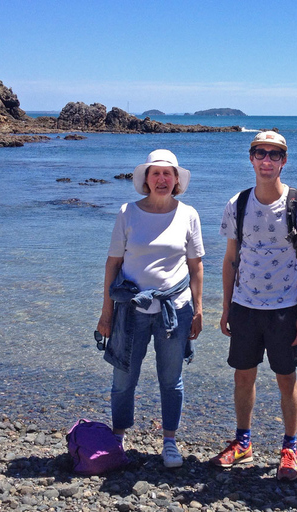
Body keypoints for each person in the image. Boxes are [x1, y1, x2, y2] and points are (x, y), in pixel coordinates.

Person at [210, 131, 297, 481]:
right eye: (261, 153)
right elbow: (231, 259)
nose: (267, 160)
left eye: (275, 155)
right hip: (244, 305)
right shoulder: (238, 204)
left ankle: (290, 448)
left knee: (286, 379)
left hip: (285, 308)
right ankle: (243, 442)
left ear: (284, 161)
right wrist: (226, 307)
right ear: (251, 158)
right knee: (243, 376)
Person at [96, 149, 204, 469]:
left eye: (167, 174)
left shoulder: (188, 214)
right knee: (123, 378)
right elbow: (113, 264)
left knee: (171, 379)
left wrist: (199, 310)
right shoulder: (127, 212)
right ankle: (118, 438)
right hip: (130, 310)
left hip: (175, 310)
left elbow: (196, 267)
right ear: (146, 179)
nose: (161, 179)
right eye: (155, 173)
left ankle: (169, 441)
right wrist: (106, 314)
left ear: (176, 181)